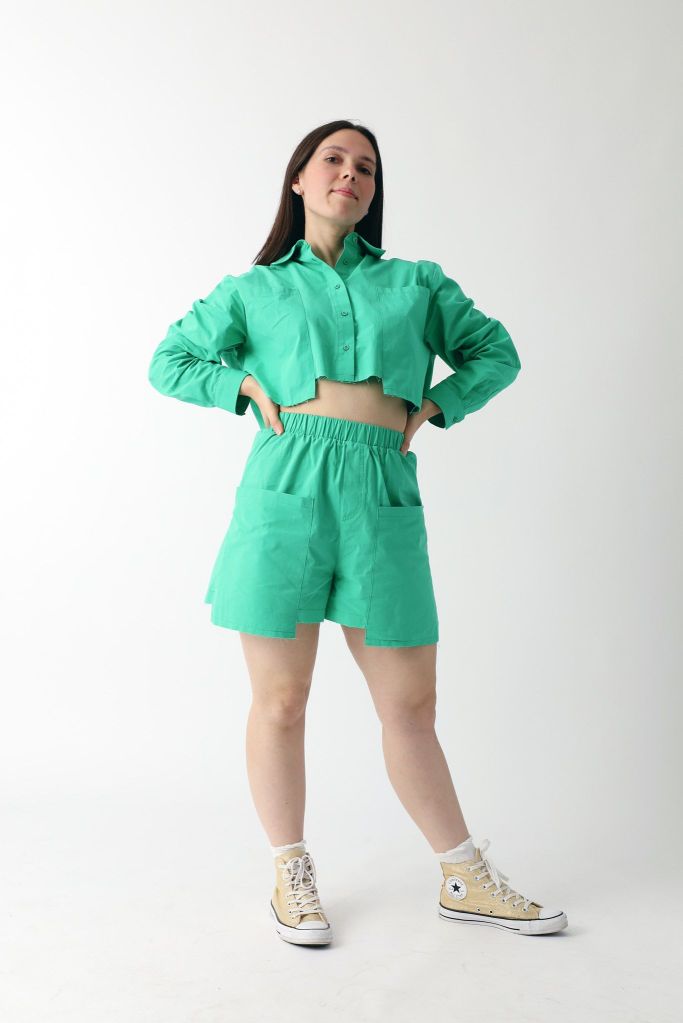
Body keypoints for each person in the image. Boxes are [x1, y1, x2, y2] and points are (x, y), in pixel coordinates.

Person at [148, 119, 568, 945]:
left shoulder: (415, 283)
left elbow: (494, 352)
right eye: (333, 159)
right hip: (285, 486)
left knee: (410, 703)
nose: (350, 173)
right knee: (281, 700)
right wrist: (241, 388)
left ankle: (462, 873)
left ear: (373, 192)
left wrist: (438, 404)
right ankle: (291, 872)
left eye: (366, 167)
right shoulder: (253, 289)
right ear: (298, 178)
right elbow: (170, 360)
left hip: (380, 490)